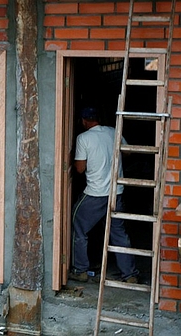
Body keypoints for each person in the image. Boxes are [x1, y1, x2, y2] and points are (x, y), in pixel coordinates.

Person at [70, 107, 139, 283]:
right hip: (117, 193)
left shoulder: (83, 138)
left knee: (78, 225)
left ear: (84, 121)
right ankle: (130, 274)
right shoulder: (112, 131)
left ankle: (80, 270)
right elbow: (128, 151)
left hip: (95, 193)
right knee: (118, 233)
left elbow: (79, 169)